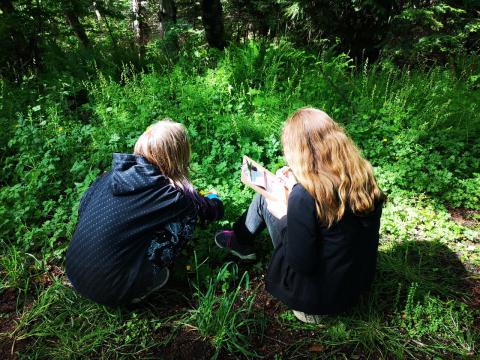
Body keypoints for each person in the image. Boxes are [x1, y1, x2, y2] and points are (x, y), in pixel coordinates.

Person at [215, 108, 385, 322]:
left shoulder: (303, 197)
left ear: (298, 152)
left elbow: (301, 263)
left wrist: (284, 214)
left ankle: (239, 240)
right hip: (355, 287)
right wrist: (295, 185)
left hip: (315, 304)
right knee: (273, 197)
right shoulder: (362, 176)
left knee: (264, 199)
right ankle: (240, 238)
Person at [66, 119, 223, 306]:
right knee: (185, 218)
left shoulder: (110, 176)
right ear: (177, 156)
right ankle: (147, 278)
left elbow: (83, 206)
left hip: (75, 271)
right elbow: (211, 211)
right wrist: (214, 199)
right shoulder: (171, 195)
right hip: (112, 289)